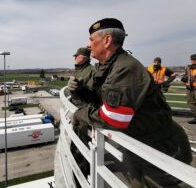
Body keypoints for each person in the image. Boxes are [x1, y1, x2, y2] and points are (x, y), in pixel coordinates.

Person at [71, 18, 192, 188]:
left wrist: (79, 114)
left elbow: (113, 118)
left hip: (161, 148)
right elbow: (103, 100)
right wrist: (80, 92)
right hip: (144, 143)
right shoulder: (110, 66)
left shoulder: (125, 69)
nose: (88, 45)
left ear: (107, 41)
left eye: (91, 39)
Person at [68, 47, 96, 185]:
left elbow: (91, 92)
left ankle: (85, 167)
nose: (74, 58)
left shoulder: (91, 70)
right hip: (77, 110)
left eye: (76, 56)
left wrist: (78, 89)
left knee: (84, 140)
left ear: (83, 58)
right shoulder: (79, 70)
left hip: (84, 110)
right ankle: (79, 161)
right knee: (77, 138)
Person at [181, 54, 196, 124]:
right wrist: (184, 78)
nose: (193, 61)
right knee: (191, 103)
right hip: (189, 88)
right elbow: (185, 76)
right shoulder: (188, 68)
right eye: (192, 59)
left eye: (195, 59)